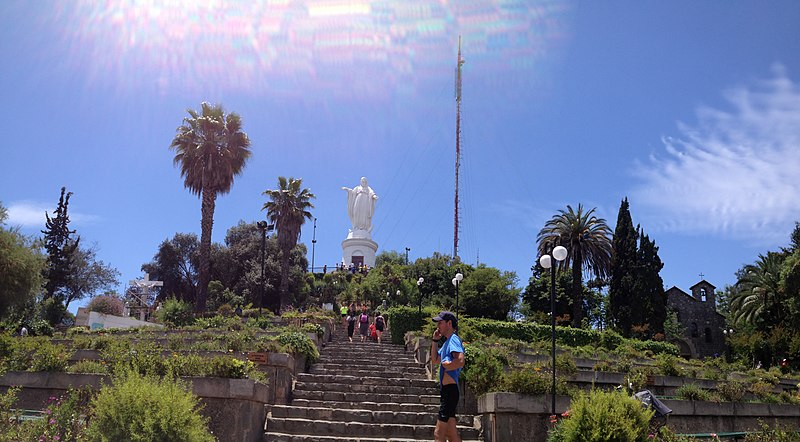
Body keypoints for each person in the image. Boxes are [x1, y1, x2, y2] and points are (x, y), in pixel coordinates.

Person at [430, 311, 464, 442]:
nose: (438, 326)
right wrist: (435, 340)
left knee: (439, 434)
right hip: (447, 391)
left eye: (440, 322)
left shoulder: (454, 339)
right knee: (452, 435)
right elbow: (434, 359)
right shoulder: (446, 343)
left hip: (450, 391)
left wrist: (448, 366)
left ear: (449, 323)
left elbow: (460, 360)